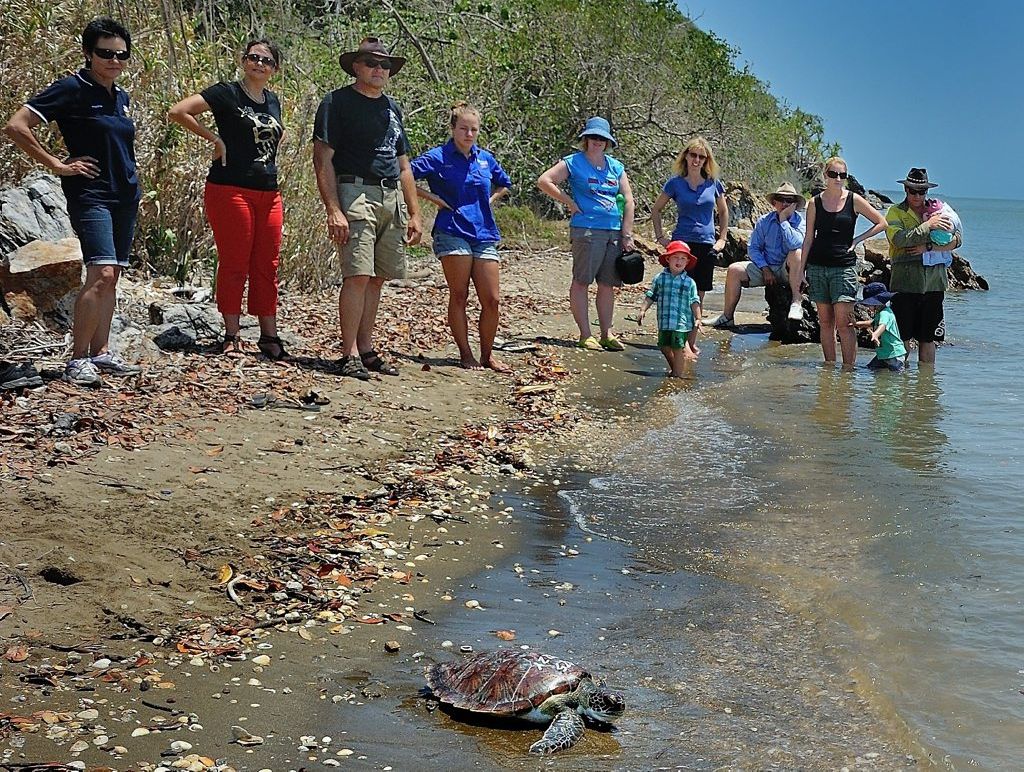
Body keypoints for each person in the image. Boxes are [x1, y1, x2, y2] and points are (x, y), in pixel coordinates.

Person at [4, 17, 143, 387]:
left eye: (121, 54)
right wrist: (57, 164)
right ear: (88, 53)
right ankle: (77, 358)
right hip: (91, 193)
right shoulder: (71, 89)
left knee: (113, 277)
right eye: (105, 53)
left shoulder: (120, 96)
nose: (114, 60)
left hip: (125, 194)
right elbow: (17, 126)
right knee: (101, 273)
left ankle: (102, 352)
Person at [168, 39, 287, 359]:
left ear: (274, 69)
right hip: (230, 189)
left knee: (267, 264)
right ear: (243, 60)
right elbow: (179, 111)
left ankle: (269, 335)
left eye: (266, 60)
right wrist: (214, 138)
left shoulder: (273, 100)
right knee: (235, 262)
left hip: (269, 192)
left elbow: (277, 136)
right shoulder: (226, 92)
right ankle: (231, 335)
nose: (258, 64)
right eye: (253, 57)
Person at [312, 37, 423, 380]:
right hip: (355, 191)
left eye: (384, 65)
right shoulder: (337, 102)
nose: (378, 70)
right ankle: (348, 354)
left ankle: (366, 349)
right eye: (371, 63)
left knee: (378, 278)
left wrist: (415, 211)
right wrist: (333, 208)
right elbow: (322, 158)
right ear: (356, 67)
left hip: (391, 196)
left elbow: (404, 164)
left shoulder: (392, 108)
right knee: (357, 274)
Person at [411, 102, 512, 372]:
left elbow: (505, 182)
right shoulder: (438, 156)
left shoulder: (485, 159)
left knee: (492, 299)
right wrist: (431, 198)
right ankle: (465, 353)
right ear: (453, 128)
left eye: (474, 130)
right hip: (452, 230)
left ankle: (487, 355)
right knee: (459, 294)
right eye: (464, 128)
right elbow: (405, 174)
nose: (469, 134)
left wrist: (491, 199)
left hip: (484, 232)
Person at [536, 116, 636, 351]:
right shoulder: (573, 162)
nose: (597, 142)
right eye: (593, 137)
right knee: (582, 281)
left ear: (608, 141)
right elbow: (545, 180)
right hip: (587, 230)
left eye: (601, 138)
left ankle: (606, 333)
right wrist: (569, 202)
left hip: (613, 231)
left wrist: (627, 233)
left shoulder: (615, 166)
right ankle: (585, 334)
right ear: (585, 139)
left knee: (607, 284)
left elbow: (629, 199)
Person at [793, 157, 887, 368]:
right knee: (826, 323)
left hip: (844, 267)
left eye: (842, 175)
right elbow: (808, 238)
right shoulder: (814, 203)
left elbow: (882, 222)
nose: (838, 179)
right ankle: (829, 370)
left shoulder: (854, 200)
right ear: (825, 176)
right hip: (817, 267)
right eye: (833, 174)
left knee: (845, 324)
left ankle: (848, 372)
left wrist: (858, 239)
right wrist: (800, 271)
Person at [884, 168, 961, 365]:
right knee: (902, 338)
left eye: (922, 191)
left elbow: (957, 239)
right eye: (913, 191)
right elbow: (899, 239)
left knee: (929, 339)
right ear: (905, 189)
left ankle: (925, 390)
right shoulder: (895, 212)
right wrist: (929, 226)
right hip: (905, 285)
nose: (917, 196)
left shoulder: (939, 209)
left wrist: (928, 246)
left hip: (935, 284)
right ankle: (900, 386)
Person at [708, 182, 805, 328]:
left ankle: (796, 302)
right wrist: (765, 268)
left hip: (789, 270)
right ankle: (727, 317)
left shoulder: (800, 222)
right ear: (774, 202)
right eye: (781, 199)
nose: (784, 203)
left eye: (789, 200)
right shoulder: (764, 221)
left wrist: (784, 220)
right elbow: (753, 248)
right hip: (766, 267)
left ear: (795, 204)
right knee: (734, 270)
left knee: (797, 253)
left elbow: (795, 244)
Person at [650, 137, 729, 305]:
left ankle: (693, 328)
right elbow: (656, 209)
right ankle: (677, 328)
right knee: (678, 289)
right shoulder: (675, 183)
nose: (697, 160)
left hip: (707, 244)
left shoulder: (713, 183)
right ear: (686, 156)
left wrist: (722, 238)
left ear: (707, 160)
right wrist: (660, 237)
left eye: (702, 157)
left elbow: (723, 211)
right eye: (693, 155)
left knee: (698, 293)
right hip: (682, 244)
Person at [638, 240, 702, 377]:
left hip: (681, 322)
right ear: (668, 259)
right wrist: (643, 310)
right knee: (664, 346)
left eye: (683, 258)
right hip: (664, 321)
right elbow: (651, 295)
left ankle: (677, 375)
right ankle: (675, 368)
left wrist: (698, 318)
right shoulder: (660, 278)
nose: (679, 261)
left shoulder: (689, 282)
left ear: (687, 262)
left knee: (678, 348)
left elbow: (694, 301)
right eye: (676, 257)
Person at [851, 281, 906, 372]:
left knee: (897, 375)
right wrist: (856, 324)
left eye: (869, 305)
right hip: (884, 353)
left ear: (877, 303)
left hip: (894, 354)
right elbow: (873, 322)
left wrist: (876, 334)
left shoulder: (885, 313)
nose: (868, 307)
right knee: (872, 368)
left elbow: (882, 325)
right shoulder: (880, 313)